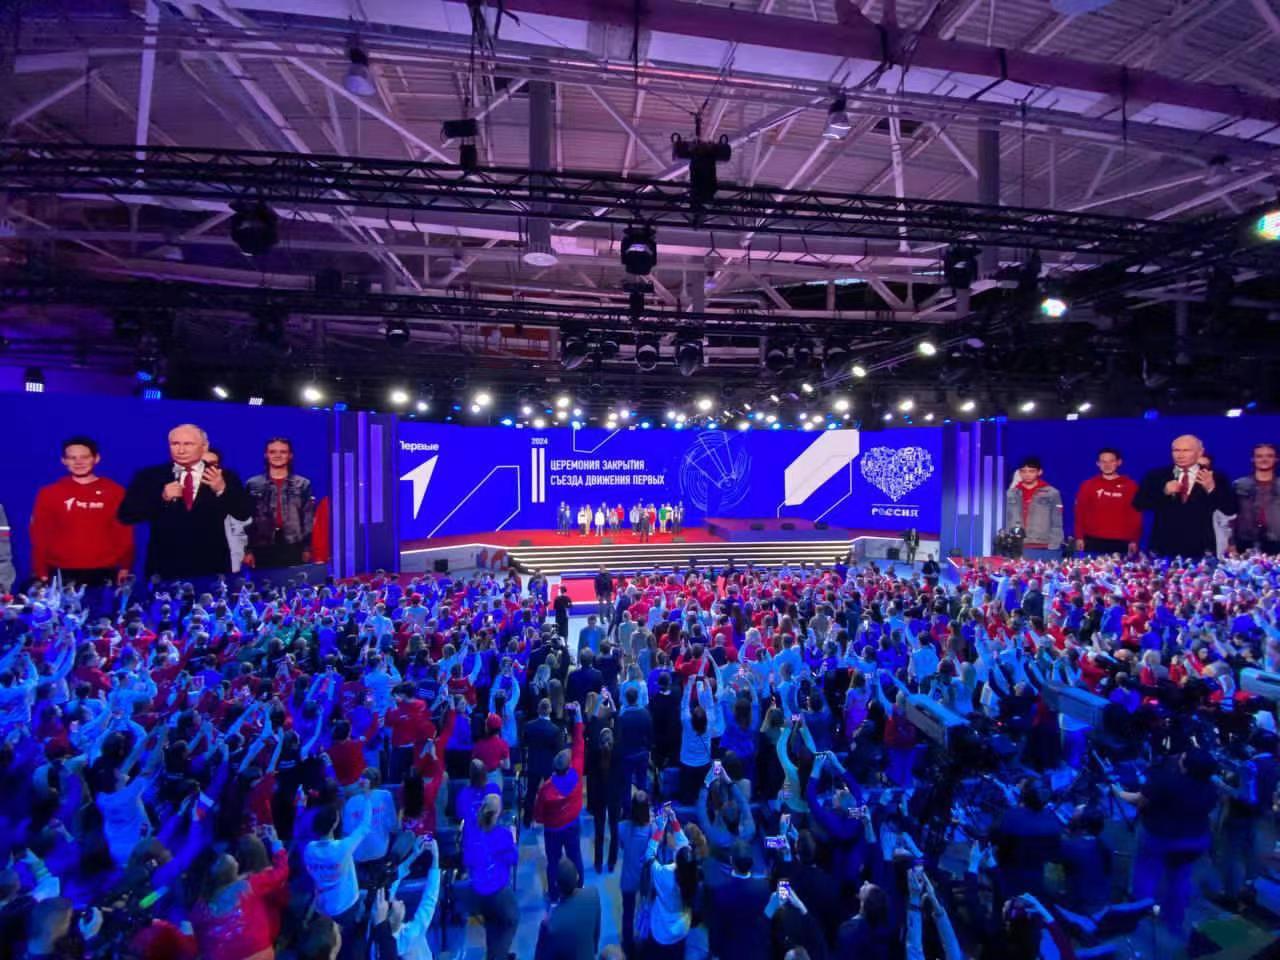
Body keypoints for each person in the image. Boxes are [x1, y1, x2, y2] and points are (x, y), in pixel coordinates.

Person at [117, 423, 252, 580]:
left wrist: (222, 490)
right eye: (175, 444)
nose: (181, 450)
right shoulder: (149, 476)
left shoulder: (223, 476)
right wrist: (161, 498)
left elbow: (243, 514)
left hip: (211, 566)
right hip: (164, 567)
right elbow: (126, 515)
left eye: (188, 444)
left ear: (204, 446)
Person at [29, 435, 134, 588]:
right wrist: (40, 571)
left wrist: (125, 566)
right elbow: (40, 535)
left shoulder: (115, 492)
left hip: (104, 571)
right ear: (63, 461)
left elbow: (124, 533)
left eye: (84, 457)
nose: (79, 462)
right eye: (72, 458)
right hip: (61, 571)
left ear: (96, 458)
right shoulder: (49, 493)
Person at [1133, 434, 1236, 557]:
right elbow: (1139, 504)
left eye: (1186, 450)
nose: (1180, 455)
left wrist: (1211, 489)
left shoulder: (1215, 477)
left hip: (1201, 547)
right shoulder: (1156, 475)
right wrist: (1163, 492)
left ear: (1200, 452)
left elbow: (1230, 510)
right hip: (1164, 547)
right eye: (1176, 450)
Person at [534, 702, 586, 902]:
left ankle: (554, 895)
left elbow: (539, 816)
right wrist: (578, 716)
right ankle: (579, 887)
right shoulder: (577, 773)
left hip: (553, 830)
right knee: (575, 856)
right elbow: (579, 744)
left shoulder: (546, 789)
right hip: (572, 824)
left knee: (553, 862)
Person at [463, 793, 520, 960]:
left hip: (477, 891)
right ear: (497, 813)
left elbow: (467, 860)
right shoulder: (503, 834)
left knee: (492, 924)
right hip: (497, 891)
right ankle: (499, 955)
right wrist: (512, 842)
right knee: (512, 920)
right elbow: (514, 858)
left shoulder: (472, 832)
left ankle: (493, 955)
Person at [244, 437, 315, 569]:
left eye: (283, 452)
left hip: (293, 544)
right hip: (261, 545)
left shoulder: (303, 484)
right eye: (273, 452)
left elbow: (308, 518)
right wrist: (247, 550)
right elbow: (247, 519)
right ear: (266, 455)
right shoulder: (253, 484)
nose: (278, 455)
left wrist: (307, 548)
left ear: (290, 455)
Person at [1072, 447, 1142, 555]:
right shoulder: (1088, 485)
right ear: (1098, 464)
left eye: (1111, 461)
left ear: (1119, 462)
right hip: (1092, 540)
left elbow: (1135, 515)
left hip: (1121, 541)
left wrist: (1134, 540)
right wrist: (1079, 537)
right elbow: (1080, 513)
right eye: (1103, 462)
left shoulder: (1130, 486)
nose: (1107, 465)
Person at [535, 858, 601, 960]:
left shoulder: (550, 923)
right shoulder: (593, 895)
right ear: (577, 877)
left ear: (556, 885)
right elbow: (595, 935)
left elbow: (540, 957)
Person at [1004, 456, 1063, 559]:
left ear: (1039, 472)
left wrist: (1054, 545)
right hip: (1016, 544)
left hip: (1043, 545)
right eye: (1024, 471)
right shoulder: (1010, 493)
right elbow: (1006, 518)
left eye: (1031, 471)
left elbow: (1057, 521)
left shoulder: (1052, 493)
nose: (1027, 474)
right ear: (1019, 473)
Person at [1230, 442, 1280, 554]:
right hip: (1245, 541)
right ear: (1253, 459)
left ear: (1276, 459)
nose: (1264, 459)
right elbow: (1231, 517)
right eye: (1259, 456)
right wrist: (1231, 543)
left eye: (1269, 456)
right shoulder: (1239, 485)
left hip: (1277, 541)